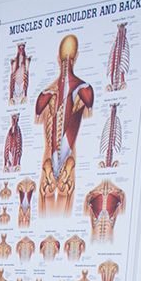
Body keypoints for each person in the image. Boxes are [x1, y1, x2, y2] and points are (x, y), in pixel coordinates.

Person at [35, 34, 94, 214]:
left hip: (58, 163)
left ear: (57, 57)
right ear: (76, 56)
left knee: (56, 204)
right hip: (64, 163)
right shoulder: (84, 90)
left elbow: (38, 112)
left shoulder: (46, 94)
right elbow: (89, 105)